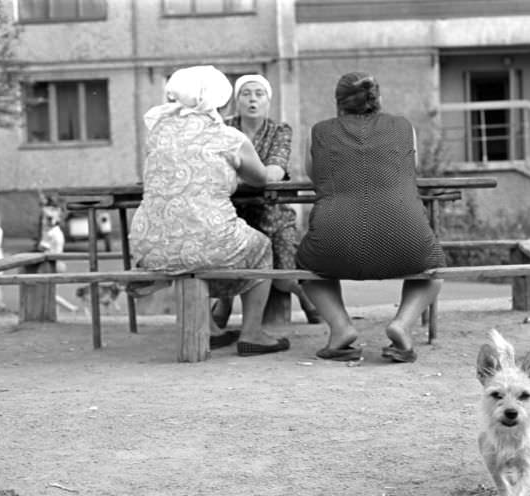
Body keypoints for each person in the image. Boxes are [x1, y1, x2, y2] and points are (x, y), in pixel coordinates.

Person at [128, 65, 289, 356]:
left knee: (183, 241)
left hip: (149, 243)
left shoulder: (158, 131)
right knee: (260, 246)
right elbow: (261, 177)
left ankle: (211, 329)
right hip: (208, 240)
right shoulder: (230, 137)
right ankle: (252, 333)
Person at [296, 72, 445, 363]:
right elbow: (409, 168)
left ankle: (341, 329)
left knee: (306, 267)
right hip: (404, 236)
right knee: (433, 268)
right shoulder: (404, 127)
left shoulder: (319, 132)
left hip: (334, 238)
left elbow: (315, 175)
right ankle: (402, 325)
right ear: (378, 98)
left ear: (338, 102)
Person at [210, 74, 320, 328]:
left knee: (283, 275)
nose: (252, 99)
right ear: (236, 100)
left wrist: (236, 177)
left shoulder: (280, 131)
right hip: (231, 213)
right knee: (221, 259)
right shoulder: (222, 130)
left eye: (259, 94)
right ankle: (225, 302)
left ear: (268, 101)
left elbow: (274, 172)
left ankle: (302, 293)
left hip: (272, 213)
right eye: (246, 93)